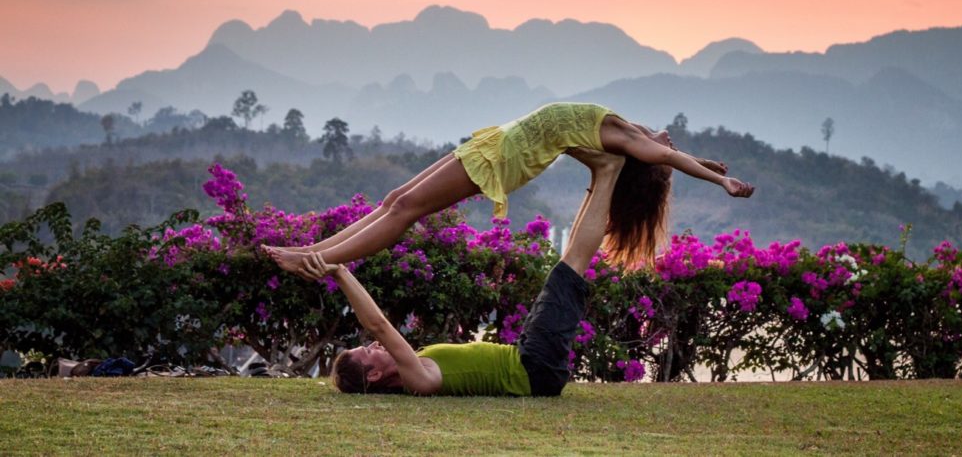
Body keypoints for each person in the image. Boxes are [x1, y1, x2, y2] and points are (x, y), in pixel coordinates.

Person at [265, 101, 754, 278]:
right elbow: (672, 154)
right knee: (396, 198)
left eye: (667, 153)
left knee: (406, 209)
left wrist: (720, 180)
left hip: (504, 160)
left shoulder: (633, 142)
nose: (670, 141)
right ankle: (312, 250)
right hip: (497, 143)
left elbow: (668, 157)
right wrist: (708, 163)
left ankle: (319, 262)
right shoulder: (632, 131)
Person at [312, 148, 631, 395]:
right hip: (534, 367)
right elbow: (378, 324)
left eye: (368, 344)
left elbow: (378, 329)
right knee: (571, 267)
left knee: (566, 267)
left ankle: (601, 175)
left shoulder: (419, 367)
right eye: (368, 351)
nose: (375, 345)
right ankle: (609, 171)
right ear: (374, 375)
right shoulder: (420, 380)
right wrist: (339, 270)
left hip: (527, 358)